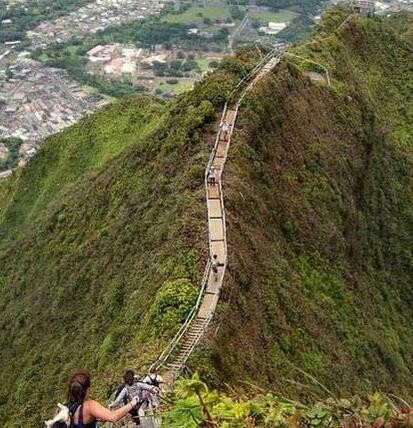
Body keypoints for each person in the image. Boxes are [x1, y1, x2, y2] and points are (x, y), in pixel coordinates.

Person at [66, 371, 138, 428]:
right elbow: (113, 417)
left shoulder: (69, 407)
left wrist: (96, 418)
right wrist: (132, 403)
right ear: (87, 389)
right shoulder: (89, 405)